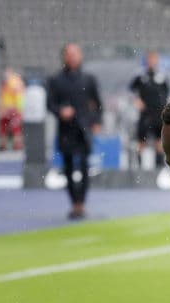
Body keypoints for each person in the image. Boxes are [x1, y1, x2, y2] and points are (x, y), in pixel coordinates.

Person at [47, 43, 101, 220]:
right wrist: (60, 111)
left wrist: (96, 122)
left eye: (75, 54)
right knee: (68, 168)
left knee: (84, 167)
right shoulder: (56, 80)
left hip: (83, 129)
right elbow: (50, 104)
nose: (72, 57)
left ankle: (81, 203)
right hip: (65, 130)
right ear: (64, 57)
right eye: (69, 54)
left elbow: (98, 103)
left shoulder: (88, 78)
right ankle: (74, 202)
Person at [129, 50, 169, 169]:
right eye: (150, 59)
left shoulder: (162, 76)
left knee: (159, 141)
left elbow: (167, 93)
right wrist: (136, 100)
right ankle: (140, 170)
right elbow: (131, 91)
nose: (152, 62)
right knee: (141, 141)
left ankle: (159, 168)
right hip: (145, 114)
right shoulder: (140, 76)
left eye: (154, 59)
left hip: (158, 113)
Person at [0, 67, 25, 151]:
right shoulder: (5, 84)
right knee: (4, 128)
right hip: (7, 110)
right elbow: (2, 98)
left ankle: (16, 145)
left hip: (13, 110)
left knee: (15, 129)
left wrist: (17, 109)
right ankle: (4, 144)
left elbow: (19, 98)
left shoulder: (14, 83)